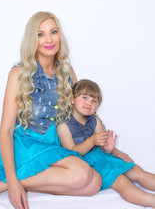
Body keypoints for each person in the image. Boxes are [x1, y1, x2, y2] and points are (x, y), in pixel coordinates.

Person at [0, 11, 133, 209]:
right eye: (40, 34)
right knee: (83, 175)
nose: (48, 40)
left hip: (56, 144)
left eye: (53, 32)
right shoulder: (18, 74)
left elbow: (84, 113)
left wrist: (112, 149)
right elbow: (5, 130)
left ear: (60, 35)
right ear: (32, 40)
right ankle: (9, 181)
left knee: (94, 184)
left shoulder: (66, 70)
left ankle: (11, 182)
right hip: (25, 145)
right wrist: (14, 183)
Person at [57, 79, 155, 208]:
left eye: (94, 100)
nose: (89, 103)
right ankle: (151, 201)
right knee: (121, 181)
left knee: (136, 170)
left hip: (102, 157)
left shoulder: (95, 121)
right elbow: (72, 153)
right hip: (86, 164)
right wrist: (91, 141)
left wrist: (109, 149)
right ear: (72, 99)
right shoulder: (64, 125)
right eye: (84, 97)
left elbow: (103, 146)